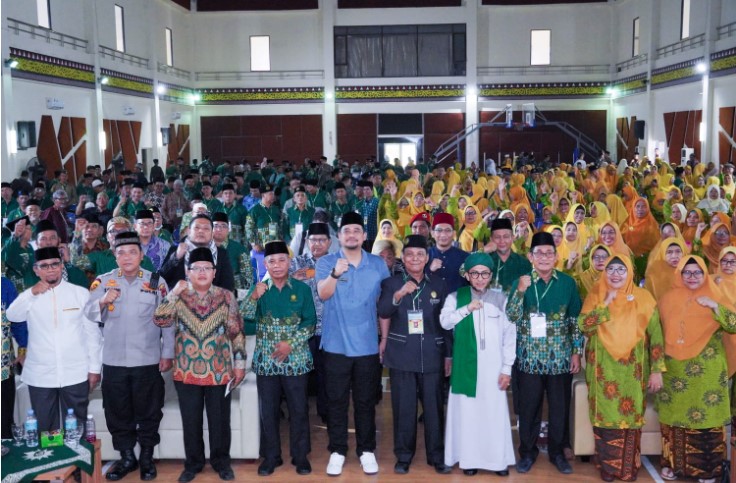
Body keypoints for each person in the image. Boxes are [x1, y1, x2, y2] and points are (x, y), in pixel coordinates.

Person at [85, 232, 173, 481]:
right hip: (113, 361)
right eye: (121, 252)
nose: (127, 257)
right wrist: (102, 301)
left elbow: (167, 322)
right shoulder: (103, 282)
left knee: (150, 411)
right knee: (117, 412)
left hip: (148, 361)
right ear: (114, 256)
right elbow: (88, 316)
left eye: (132, 252)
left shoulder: (156, 282)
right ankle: (126, 458)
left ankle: (146, 457)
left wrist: (167, 353)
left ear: (141, 255)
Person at [153, 247, 245, 483]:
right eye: (197, 268)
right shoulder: (179, 296)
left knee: (220, 422)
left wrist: (240, 364)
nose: (202, 272)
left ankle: (221, 462)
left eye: (207, 268)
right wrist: (174, 292)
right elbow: (160, 318)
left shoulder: (226, 296)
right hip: (186, 372)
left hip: (219, 371)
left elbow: (236, 332)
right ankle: (193, 464)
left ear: (214, 272)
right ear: (188, 271)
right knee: (190, 421)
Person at [578, 256, 665, 481]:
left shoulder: (644, 298)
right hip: (602, 372)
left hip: (632, 374)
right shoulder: (596, 295)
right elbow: (583, 326)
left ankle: (627, 468)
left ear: (630, 273)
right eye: (611, 269)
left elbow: (656, 336)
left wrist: (656, 370)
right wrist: (605, 303)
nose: (616, 274)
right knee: (604, 420)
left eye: (621, 269)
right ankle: (607, 468)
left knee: (630, 421)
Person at [316, 211, 390, 476]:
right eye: (346, 231)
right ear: (339, 236)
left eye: (356, 231)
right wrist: (335, 274)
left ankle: (366, 450)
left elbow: (383, 306)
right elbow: (323, 295)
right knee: (336, 401)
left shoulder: (378, 265)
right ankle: (337, 450)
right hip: (335, 346)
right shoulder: (326, 262)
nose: (351, 235)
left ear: (364, 236)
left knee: (365, 401)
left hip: (368, 346)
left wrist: (384, 339)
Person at [506, 232, 583, 475]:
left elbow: (575, 321)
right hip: (529, 358)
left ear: (556, 257)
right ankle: (527, 452)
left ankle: (557, 452)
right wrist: (519, 291)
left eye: (549, 253)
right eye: (539, 253)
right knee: (529, 408)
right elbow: (512, 316)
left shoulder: (568, 284)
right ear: (530, 257)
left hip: (560, 358)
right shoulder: (522, 282)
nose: (544, 257)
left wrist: (576, 352)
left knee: (559, 407)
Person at [656, 256, 736, 482]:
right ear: (679, 274)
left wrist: (715, 306)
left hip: (707, 373)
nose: (692, 277)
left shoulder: (716, 295)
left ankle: (707, 471)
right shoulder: (666, 299)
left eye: (697, 272)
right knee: (674, 420)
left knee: (706, 422)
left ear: (705, 274)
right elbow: (657, 333)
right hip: (674, 370)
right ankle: (672, 464)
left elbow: (734, 324)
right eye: (687, 272)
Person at [5, 247, 102, 433]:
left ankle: (79, 463)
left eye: (55, 264)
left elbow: (92, 334)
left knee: (77, 428)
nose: (50, 269)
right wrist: (32, 292)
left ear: (61, 265)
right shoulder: (29, 296)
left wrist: (95, 368)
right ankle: (53, 463)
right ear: (36, 269)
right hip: (41, 375)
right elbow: (12, 315)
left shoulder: (80, 294)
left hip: (76, 372)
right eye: (44, 266)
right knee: (44, 429)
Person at [377, 235, 452, 475]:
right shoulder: (391, 283)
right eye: (410, 255)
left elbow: (446, 323)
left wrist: (448, 355)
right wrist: (398, 295)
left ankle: (437, 456)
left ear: (427, 257)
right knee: (403, 409)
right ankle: (404, 456)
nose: (415, 258)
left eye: (420, 254)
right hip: (401, 354)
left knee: (434, 409)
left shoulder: (439, 284)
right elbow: (383, 312)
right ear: (403, 259)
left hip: (432, 353)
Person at [440, 252, 516, 476]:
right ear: (467, 275)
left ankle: (497, 461)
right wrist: (467, 309)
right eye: (475, 273)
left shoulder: (501, 299)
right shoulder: (456, 298)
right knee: (467, 414)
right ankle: (468, 459)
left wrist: (506, 368)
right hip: (466, 366)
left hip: (494, 368)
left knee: (493, 413)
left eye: (484, 273)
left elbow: (510, 336)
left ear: (491, 275)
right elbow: (444, 323)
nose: (480, 278)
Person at [247, 241, 316, 476]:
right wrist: (253, 297)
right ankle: (271, 456)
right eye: (272, 261)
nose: (277, 265)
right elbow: (241, 320)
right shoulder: (258, 289)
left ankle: (300, 456)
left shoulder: (302, 289)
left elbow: (310, 323)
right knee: (269, 410)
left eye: (282, 260)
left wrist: (291, 344)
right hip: (266, 361)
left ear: (289, 262)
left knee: (299, 409)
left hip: (296, 360)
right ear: (265, 263)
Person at [289, 222, 332, 423]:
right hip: (302, 329)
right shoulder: (296, 263)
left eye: (321, 240)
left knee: (327, 374)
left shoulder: (337, 263)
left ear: (329, 242)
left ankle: (326, 412)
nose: (317, 244)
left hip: (330, 329)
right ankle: (299, 413)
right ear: (307, 242)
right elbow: (278, 284)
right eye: (313, 240)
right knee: (301, 375)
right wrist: (292, 279)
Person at [160, 214, 235, 292]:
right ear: (189, 231)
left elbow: (228, 286)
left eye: (206, 228)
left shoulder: (221, 254)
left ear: (212, 233)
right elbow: (161, 278)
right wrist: (176, 257)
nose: (201, 231)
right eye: (197, 227)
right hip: (177, 300)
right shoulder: (175, 250)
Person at [1, 277, 27, 439]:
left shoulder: (4, 285)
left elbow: (18, 321)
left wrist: (23, 348)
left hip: (4, 369)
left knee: (4, 423)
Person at [483, 218, 532, 293]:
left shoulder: (523, 263)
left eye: (506, 237)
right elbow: (463, 271)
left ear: (512, 238)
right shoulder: (484, 261)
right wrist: (483, 250)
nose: (502, 241)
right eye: (497, 237)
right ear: (491, 239)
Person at [427, 212, 468, 294]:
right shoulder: (424, 256)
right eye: (439, 230)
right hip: (430, 304)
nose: (443, 234)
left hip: (456, 303)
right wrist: (429, 270)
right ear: (432, 233)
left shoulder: (465, 257)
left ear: (454, 233)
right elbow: (414, 282)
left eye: (448, 230)